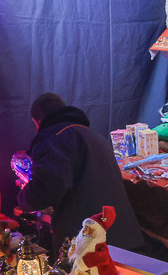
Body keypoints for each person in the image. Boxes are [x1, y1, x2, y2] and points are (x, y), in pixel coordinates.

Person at [16, 93, 143, 257]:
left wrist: (23, 199)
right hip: (122, 236)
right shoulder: (95, 137)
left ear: (37, 122)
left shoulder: (55, 139)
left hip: (88, 244)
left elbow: (46, 188)